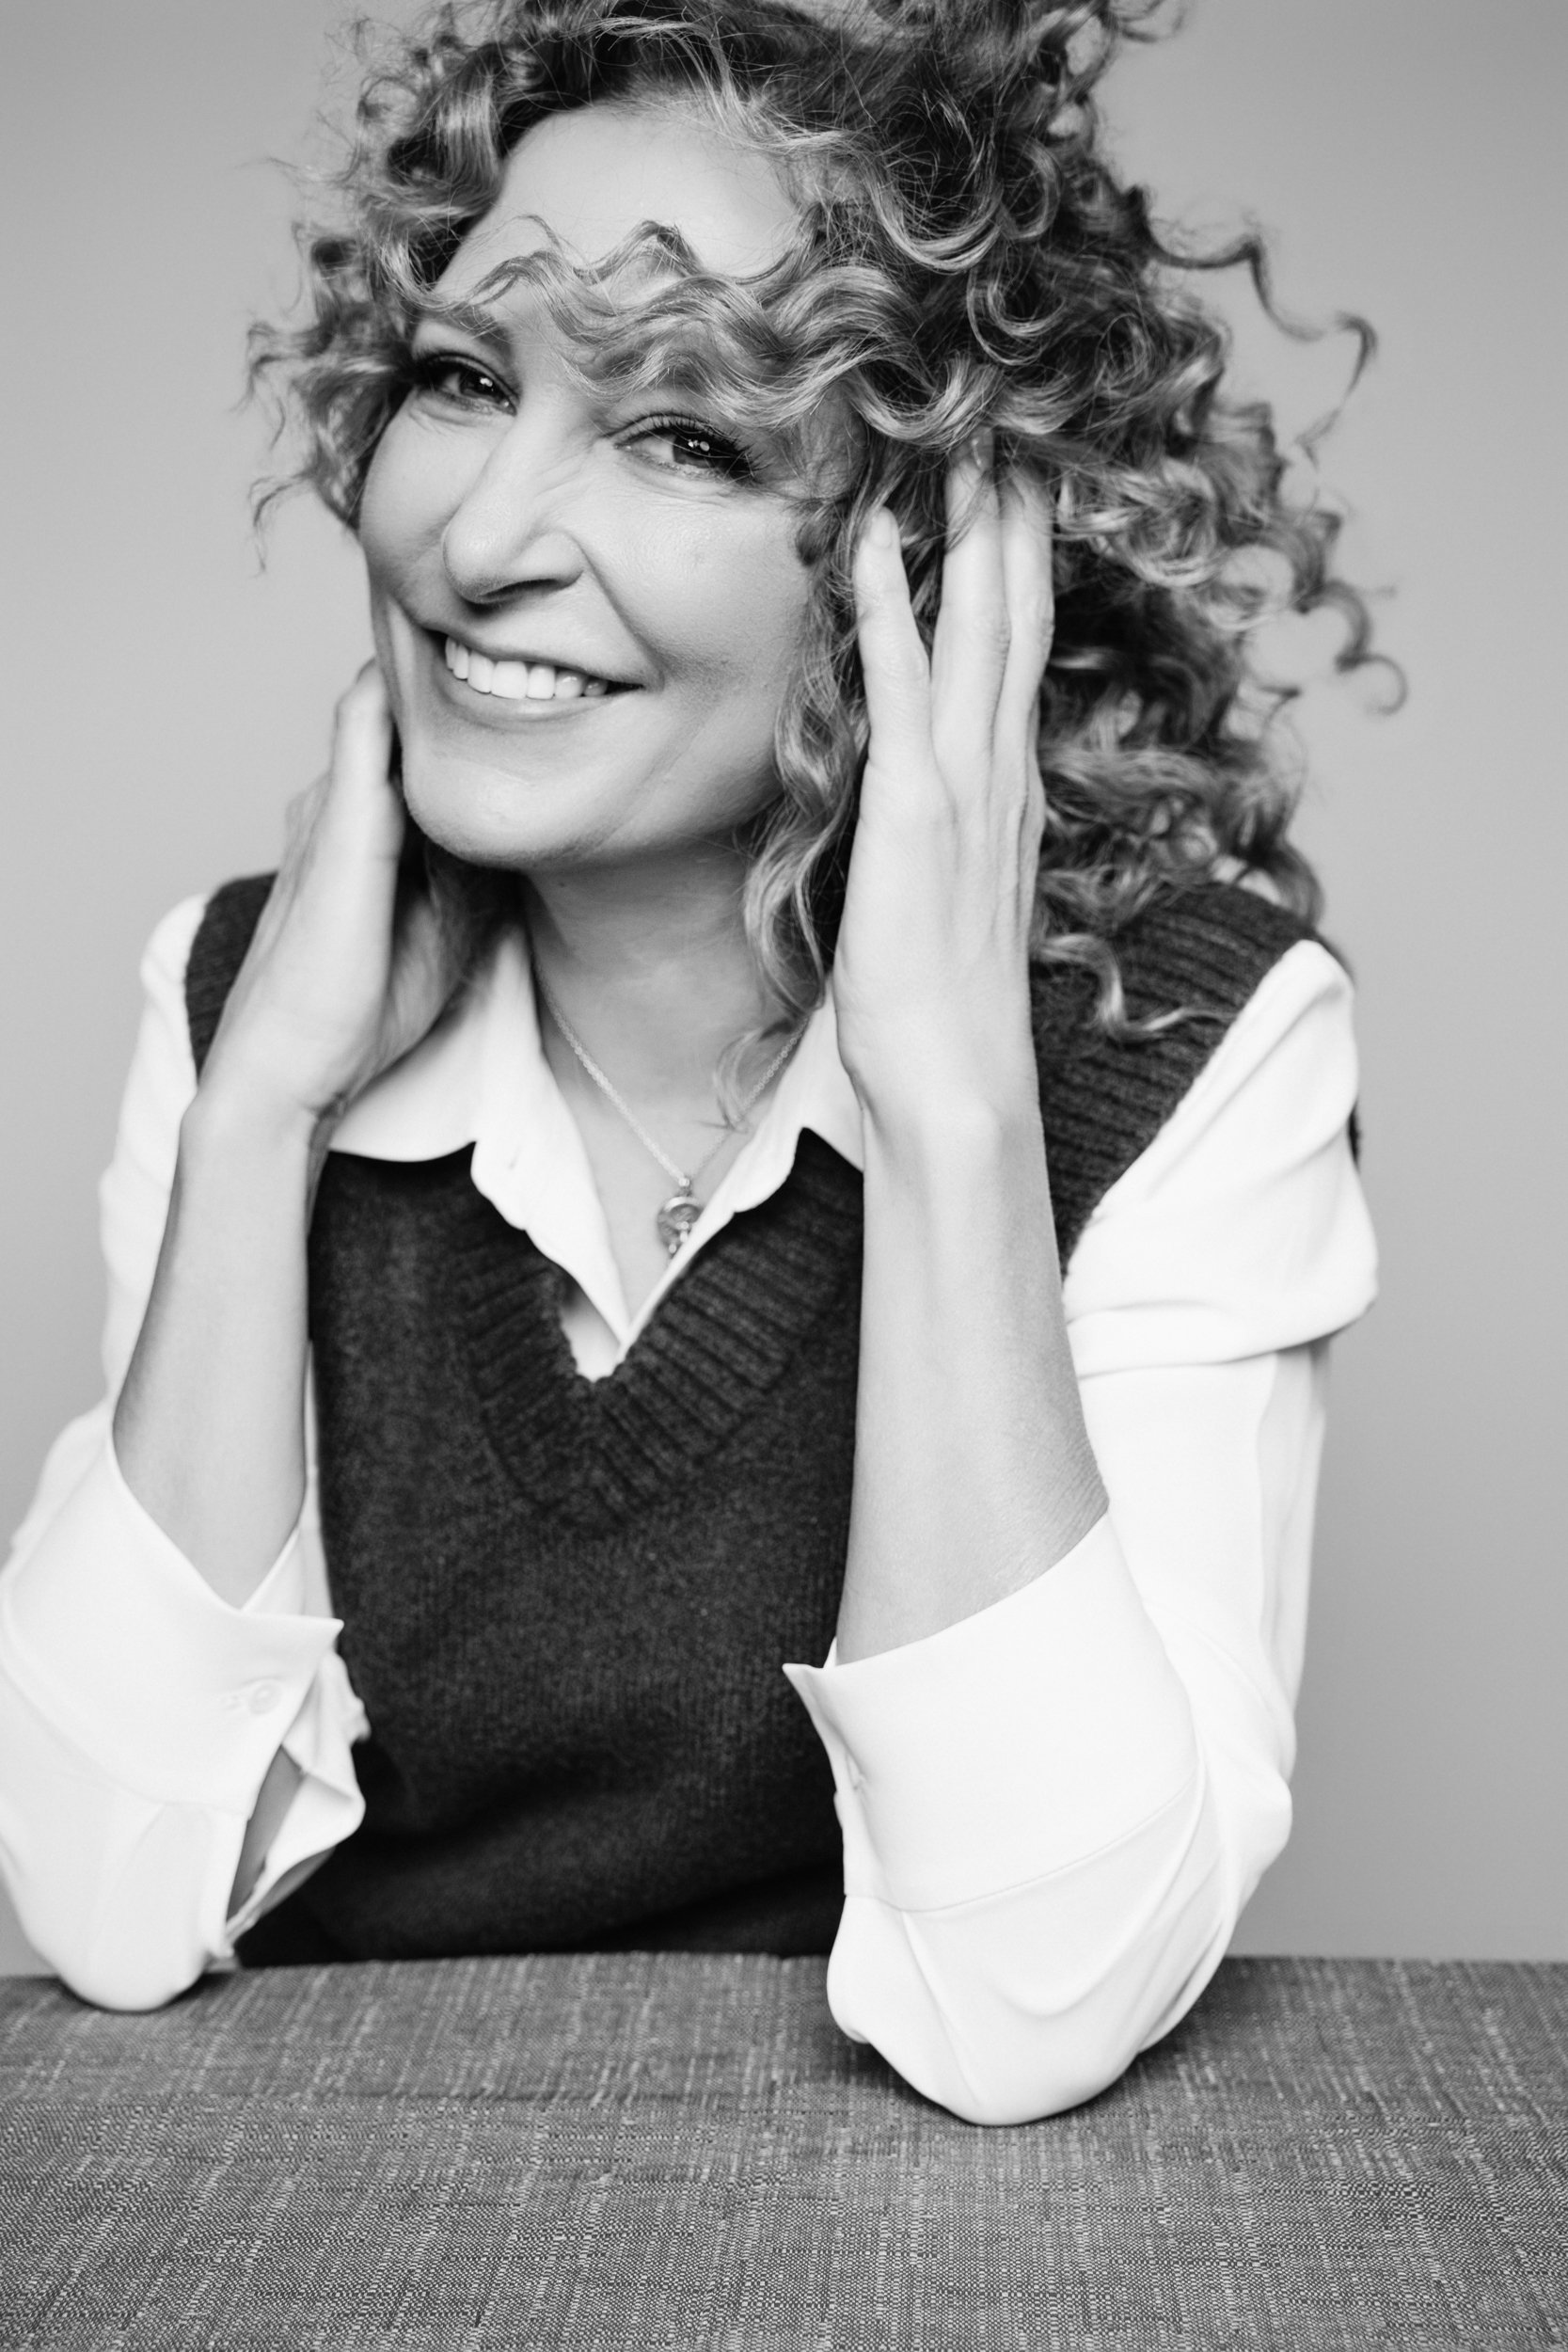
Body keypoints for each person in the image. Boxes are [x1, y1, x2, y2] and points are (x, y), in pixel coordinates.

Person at [0, 0, 1376, 2124]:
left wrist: (952, 1112)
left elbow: (1028, 2001)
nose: (481, 543)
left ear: (928, 564)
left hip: (898, 2234)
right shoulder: (242, 1000)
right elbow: (106, 1898)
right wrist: (263, 1108)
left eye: (685, 437)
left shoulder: (1197, 1047)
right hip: (353, 2188)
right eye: (466, 380)